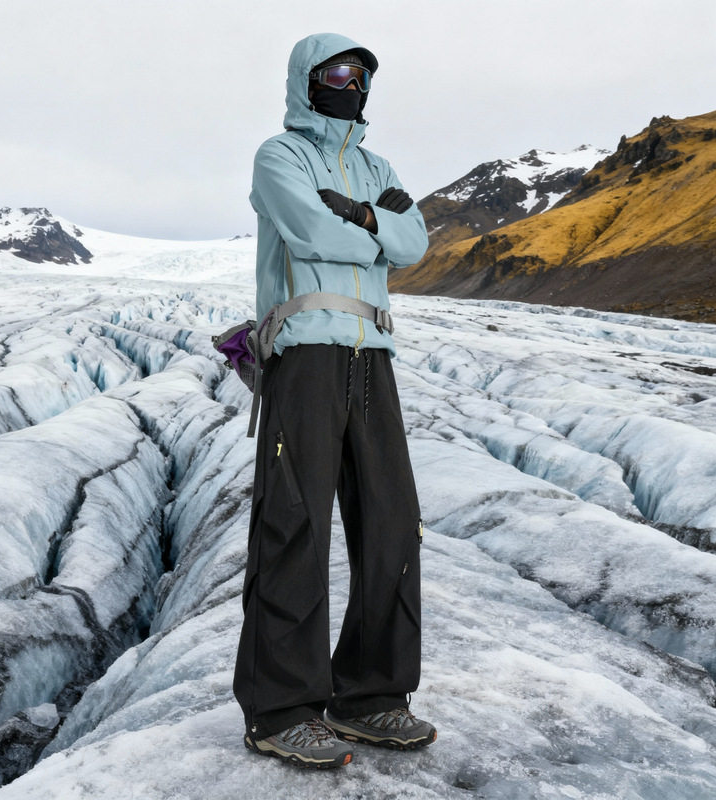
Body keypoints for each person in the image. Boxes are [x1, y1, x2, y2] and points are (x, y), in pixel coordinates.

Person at [233, 32, 436, 769]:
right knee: (295, 523)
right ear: (307, 80)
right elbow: (311, 233)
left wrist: (363, 216)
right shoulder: (278, 156)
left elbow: (415, 244)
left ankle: (370, 696)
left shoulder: (378, 166)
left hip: (371, 353)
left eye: (358, 73)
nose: (349, 83)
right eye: (336, 72)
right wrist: (369, 225)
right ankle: (281, 709)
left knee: (392, 521)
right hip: (305, 351)